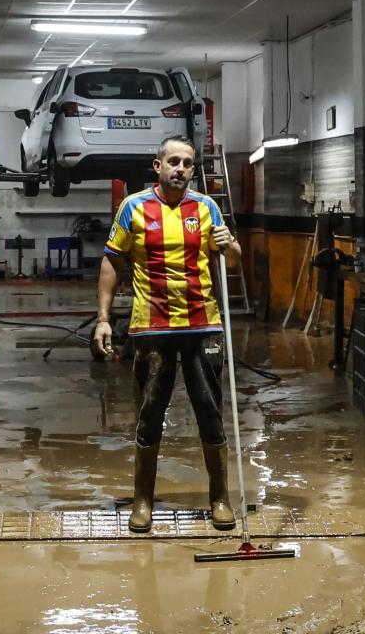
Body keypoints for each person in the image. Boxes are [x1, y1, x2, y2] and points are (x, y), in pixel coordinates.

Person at [93, 135, 243, 533]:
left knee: (210, 412)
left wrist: (230, 247)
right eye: (173, 161)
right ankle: (143, 501)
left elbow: (234, 258)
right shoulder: (135, 207)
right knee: (149, 414)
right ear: (157, 166)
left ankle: (220, 498)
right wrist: (104, 318)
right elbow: (112, 262)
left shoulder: (208, 208)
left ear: (194, 169)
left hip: (203, 325)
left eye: (188, 163)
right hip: (152, 328)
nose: (180, 168)